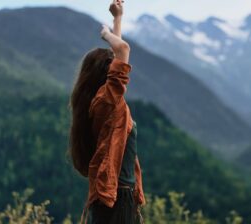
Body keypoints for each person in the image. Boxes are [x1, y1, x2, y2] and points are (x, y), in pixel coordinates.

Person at [68, 0, 145, 223]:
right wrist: (106, 33)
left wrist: (117, 19)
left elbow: (118, 58)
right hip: (117, 201)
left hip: (118, 197)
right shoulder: (105, 102)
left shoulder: (104, 102)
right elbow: (123, 49)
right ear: (107, 73)